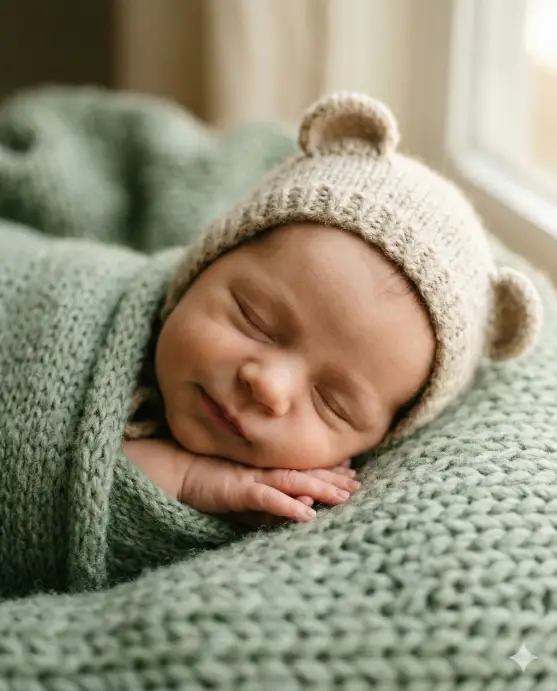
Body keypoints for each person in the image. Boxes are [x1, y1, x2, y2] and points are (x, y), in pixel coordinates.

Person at [122, 91, 543, 527]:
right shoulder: (111, 309)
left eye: (332, 404)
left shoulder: (276, 506)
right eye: (254, 320)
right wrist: (185, 477)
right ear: (202, 265)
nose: (268, 386)